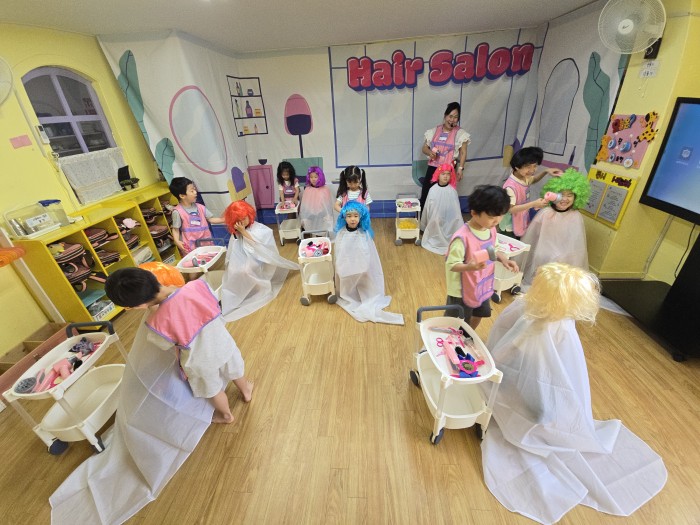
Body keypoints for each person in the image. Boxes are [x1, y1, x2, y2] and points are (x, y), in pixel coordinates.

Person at [51, 267, 254, 524]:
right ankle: (246, 390)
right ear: (153, 278)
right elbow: (213, 304)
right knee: (234, 365)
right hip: (222, 342)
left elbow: (164, 345)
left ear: (137, 306)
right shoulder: (197, 286)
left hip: (200, 363)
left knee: (213, 390)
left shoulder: (156, 322)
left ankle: (225, 415)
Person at [481, 263, 667, 524]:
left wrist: (491, 365)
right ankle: (536, 418)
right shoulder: (553, 322)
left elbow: (510, 348)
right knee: (541, 405)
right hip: (535, 378)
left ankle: (533, 419)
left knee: (538, 405)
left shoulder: (539, 320)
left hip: (529, 376)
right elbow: (558, 361)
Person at [445, 185, 518, 329]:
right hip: (461, 290)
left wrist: (503, 259)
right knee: (455, 321)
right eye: (491, 217)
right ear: (474, 213)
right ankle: (453, 339)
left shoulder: (491, 230)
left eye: (501, 215)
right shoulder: (461, 238)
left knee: (479, 314)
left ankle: (468, 335)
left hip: (482, 284)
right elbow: (452, 265)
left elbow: (493, 250)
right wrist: (469, 267)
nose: (497, 221)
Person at [220, 201, 298, 321]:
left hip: (257, 257)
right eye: (238, 220)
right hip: (243, 257)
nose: (241, 222)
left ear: (249, 215)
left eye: (244, 219)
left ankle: (257, 289)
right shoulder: (238, 229)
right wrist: (238, 233)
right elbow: (234, 248)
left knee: (247, 270)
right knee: (233, 272)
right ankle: (237, 295)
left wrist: (243, 231)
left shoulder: (258, 228)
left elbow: (257, 246)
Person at [333, 201, 403, 325]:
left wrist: (361, 264)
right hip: (346, 265)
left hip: (361, 265)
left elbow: (368, 253)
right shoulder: (341, 233)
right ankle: (350, 292)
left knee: (362, 276)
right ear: (344, 217)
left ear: (361, 217)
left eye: (356, 216)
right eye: (349, 216)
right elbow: (339, 252)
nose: (352, 219)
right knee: (345, 275)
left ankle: (361, 290)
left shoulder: (363, 233)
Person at [520, 168, 591, 288]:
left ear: (576, 197)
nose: (565, 199)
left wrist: (564, 254)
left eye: (569, 195)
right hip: (544, 251)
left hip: (565, 254)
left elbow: (576, 243)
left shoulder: (576, 216)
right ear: (552, 195)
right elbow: (532, 238)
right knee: (544, 257)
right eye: (561, 195)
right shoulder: (545, 213)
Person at [499, 146, 562, 240]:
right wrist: (533, 204)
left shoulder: (524, 177)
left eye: (535, 166)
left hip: (521, 220)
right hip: (509, 226)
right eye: (528, 167)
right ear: (516, 167)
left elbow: (534, 179)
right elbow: (510, 209)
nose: (532, 170)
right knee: (510, 246)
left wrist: (546, 171)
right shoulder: (510, 187)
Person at [419, 101, 471, 209]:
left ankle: (444, 218)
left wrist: (460, 168)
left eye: (455, 117)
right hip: (433, 168)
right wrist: (430, 152)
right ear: (445, 116)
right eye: (450, 116)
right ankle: (425, 217)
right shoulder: (434, 131)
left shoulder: (461, 134)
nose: (452, 120)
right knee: (426, 194)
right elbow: (424, 148)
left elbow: (463, 152)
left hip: (448, 170)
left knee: (445, 197)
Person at [169, 177, 225, 255]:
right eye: (192, 191)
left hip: (206, 244)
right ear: (182, 196)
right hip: (191, 248)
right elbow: (175, 229)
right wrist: (177, 241)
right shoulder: (177, 212)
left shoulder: (200, 207)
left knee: (210, 259)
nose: (195, 192)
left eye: (195, 189)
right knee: (196, 261)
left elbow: (211, 219)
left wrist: (224, 219)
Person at [420, 163, 463, 255]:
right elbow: (428, 207)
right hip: (436, 220)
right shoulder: (433, 189)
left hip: (449, 221)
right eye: (443, 174)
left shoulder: (452, 191)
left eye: (448, 174)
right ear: (438, 175)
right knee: (435, 222)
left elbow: (456, 211)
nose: (446, 176)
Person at [299, 166, 335, 238]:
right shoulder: (307, 189)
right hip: (311, 213)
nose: (313, 179)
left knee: (325, 223)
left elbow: (328, 205)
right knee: (310, 223)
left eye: (315, 177)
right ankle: (313, 236)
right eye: (311, 177)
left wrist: (323, 212)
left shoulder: (325, 189)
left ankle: (324, 237)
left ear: (320, 177)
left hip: (322, 213)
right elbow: (305, 205)